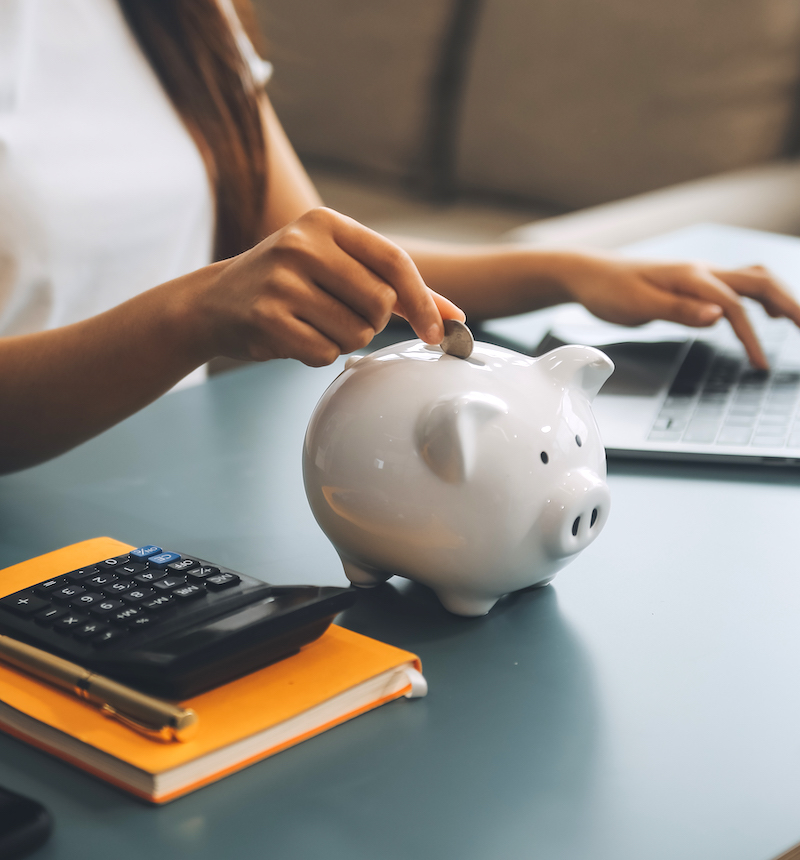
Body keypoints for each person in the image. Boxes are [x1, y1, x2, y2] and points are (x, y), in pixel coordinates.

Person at [1, 0, 799, 476]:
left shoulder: (176, 15)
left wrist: (575, 271)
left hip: (163, 495)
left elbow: (333, 258)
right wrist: (194, 312)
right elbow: (217, 299)